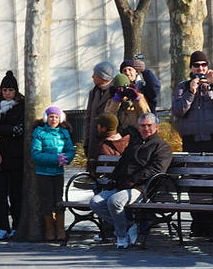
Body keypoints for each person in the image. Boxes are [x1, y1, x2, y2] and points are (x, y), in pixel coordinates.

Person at [172, 50, 213, 237]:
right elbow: (178, 110)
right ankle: (199, 226)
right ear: (191, 68)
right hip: (192, 142)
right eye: (196, 65)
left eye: (203, 65)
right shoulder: (183, 86)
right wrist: (190, 93)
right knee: (195, 185)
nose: (200, 69)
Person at [89, 113, 173, 249]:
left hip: (143, 188)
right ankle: (129, 225)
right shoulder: (134, 143)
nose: (146, 128)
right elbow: (122, 163)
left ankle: (121, 237)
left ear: (156, 127)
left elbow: (157, 169)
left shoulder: (162, 147)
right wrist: (113, 178)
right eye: (142, 126)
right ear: (138, 128)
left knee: (114, 201)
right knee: (96, 202)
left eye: (149, 125)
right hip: (123, 185)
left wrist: (133, 180)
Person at [0, 70, 25, 240]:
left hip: (16, 156)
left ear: (15, 91)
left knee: (17, 194)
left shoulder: (22, 105)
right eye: (5, 90)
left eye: (10, 90)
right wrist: (11, 130)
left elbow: (21, 129)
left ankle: (17, 225)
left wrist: (6, 129)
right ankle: (0, 227)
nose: (7, 93)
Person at [30, 106, 75, 241]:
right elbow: (36, 154)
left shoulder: (64, 133)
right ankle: (49, 229)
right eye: (50, 117)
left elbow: (70, 150)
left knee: (59, 200)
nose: (53, 119)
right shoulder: (39, 133)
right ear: (46, 118)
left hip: (58, 173)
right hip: (43, 173)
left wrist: (67, 158)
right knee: (46, 201)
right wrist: (56, 159)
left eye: (56, 117)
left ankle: (60, 228)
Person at [84, 61, 115, 173]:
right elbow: (88, 118)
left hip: (109, 144)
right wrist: (87, 141)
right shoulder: (94, 92)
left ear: (103, 76)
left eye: (95, 74)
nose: (92, 76)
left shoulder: (116, 91)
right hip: (93, 142)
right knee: (93, 176)